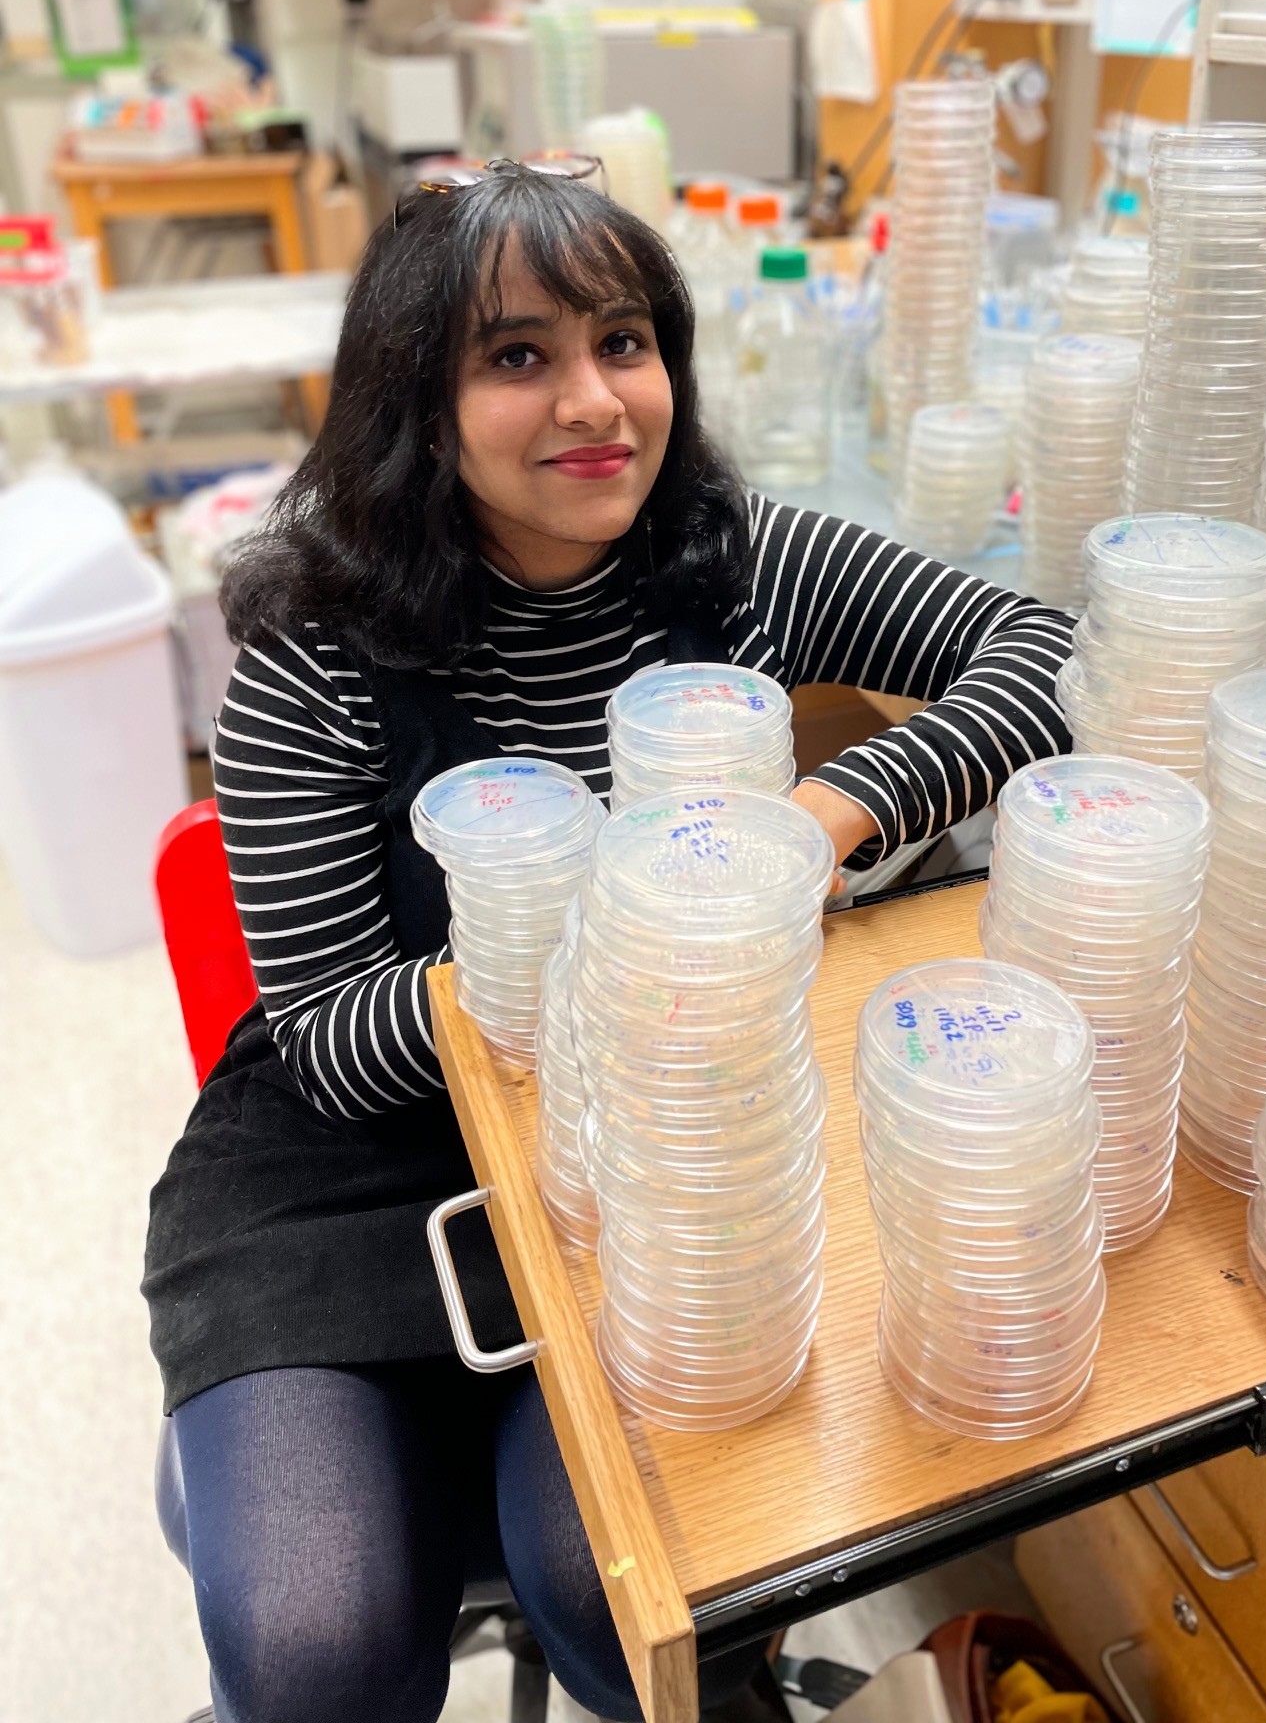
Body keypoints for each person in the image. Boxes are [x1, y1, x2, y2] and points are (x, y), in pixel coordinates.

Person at [143, 159, 1075, 1723]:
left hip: (660, 1165)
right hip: (361, 1171)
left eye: (623, 341)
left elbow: (1041, 644)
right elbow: (324, 1035)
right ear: (415, 401)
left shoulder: (733, 562)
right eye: (517, 357)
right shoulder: (318, 648)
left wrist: (827, 815)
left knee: (630, 1595)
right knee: (319, 1648)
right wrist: (622, 948)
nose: (595, 401)